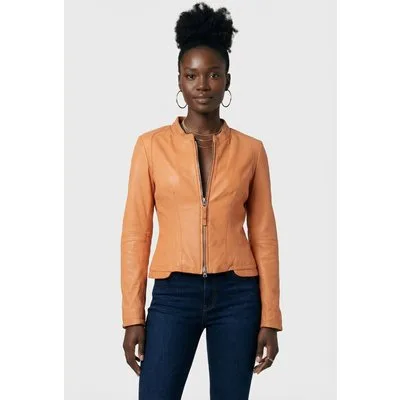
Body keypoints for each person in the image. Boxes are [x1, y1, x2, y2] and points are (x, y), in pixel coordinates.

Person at [121, 3, 283, 399]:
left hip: (238, 296)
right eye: (191, 75)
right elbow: (136, 234)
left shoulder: (251, 151)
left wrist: (270, 317)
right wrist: (132, 316)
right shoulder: (150, 147)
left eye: (213, 74)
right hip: (173, 293)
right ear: (179, 80)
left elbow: (264, 236)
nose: (203, 85)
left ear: (227, 80)